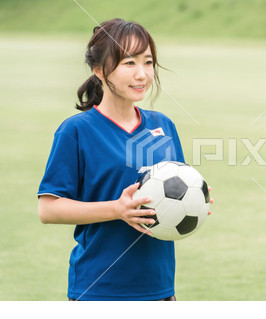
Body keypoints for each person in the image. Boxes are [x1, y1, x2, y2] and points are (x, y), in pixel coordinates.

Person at [37, 18, 212, 301]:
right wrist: (117, 209)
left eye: (148, 62)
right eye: (129, 63)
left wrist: (195, 199)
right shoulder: (77, 130)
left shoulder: (163, 125)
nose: (142, 74)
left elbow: (174, 189)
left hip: (160, 290)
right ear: (99, 71)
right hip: (98, 290)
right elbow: (49, 210)